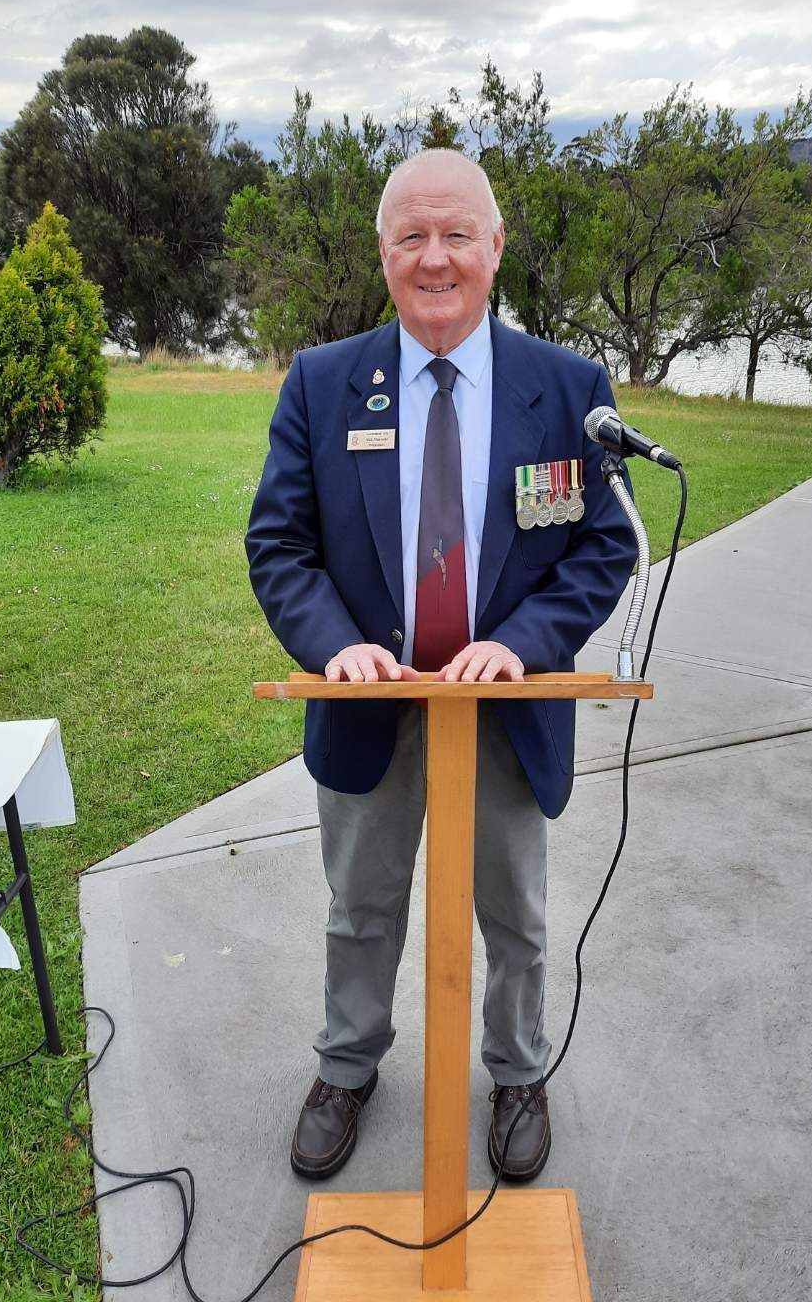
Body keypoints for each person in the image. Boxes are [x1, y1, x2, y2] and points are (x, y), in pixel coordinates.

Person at [245, 149, 636, 1185]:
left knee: (516, 916)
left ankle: (517, 1074)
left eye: (456, 234)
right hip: (373, 704)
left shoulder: (567, 391)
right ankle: (346, 1067)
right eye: (411, 237)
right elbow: (279, 544)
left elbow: (602, 543)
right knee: (359, 909)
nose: (435, 258)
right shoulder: (324, 383)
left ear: (495, 247)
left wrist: (526, 642)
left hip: (501, 711)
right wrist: (336, 644)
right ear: (382, 255)